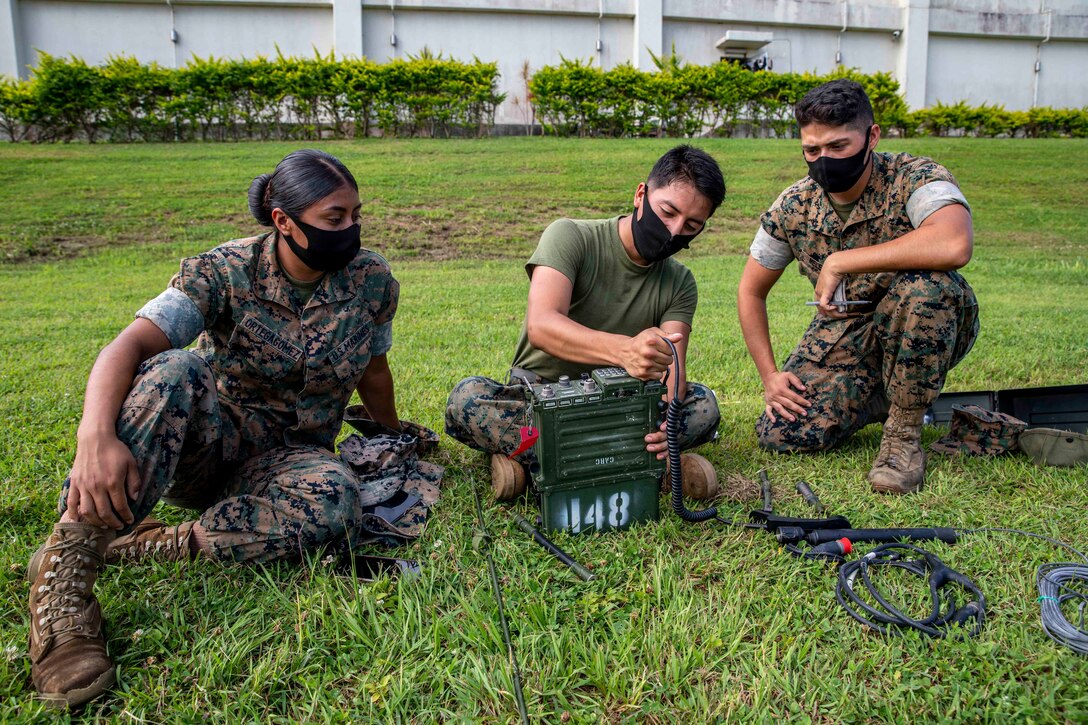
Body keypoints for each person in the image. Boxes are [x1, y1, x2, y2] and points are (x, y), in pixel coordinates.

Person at [27, 149, 406, 708]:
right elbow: (128, 346)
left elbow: (374, 369)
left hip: (291, 459)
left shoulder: (372, 281)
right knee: (174, 368)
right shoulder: (222, 271)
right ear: (283, 220)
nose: (350, 229)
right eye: (334, 218)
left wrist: (393, 433)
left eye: (356, 215)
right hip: (209, 442)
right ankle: (67, 573)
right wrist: (94, 436)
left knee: (337, 501)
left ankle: (156, 546)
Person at [737, 79, 978, 494]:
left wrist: (840, 261)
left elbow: (954, 243)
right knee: (782, 433)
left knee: (925, 288)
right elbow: (750, 290)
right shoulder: (793, 205)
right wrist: (771, 376)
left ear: (872, 136)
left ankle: (903, 433)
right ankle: (886, 392)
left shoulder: (916, 177)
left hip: (924, 318)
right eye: (812, 150)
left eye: (837, 147)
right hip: (845, 334)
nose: (823, 160)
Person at [445, 145, 725, 496]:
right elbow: (542, 325)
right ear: (641, 194)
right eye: (668, 212)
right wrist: (623, 351)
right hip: (542, 396)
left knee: (703, 406)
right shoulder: (570, 236)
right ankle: (634, 463)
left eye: (692, 225)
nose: (674, 230)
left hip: (623, 404)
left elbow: (673, 374)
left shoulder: (679, 281)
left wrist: (662, 427)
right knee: (468, 399)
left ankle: (537, 462)